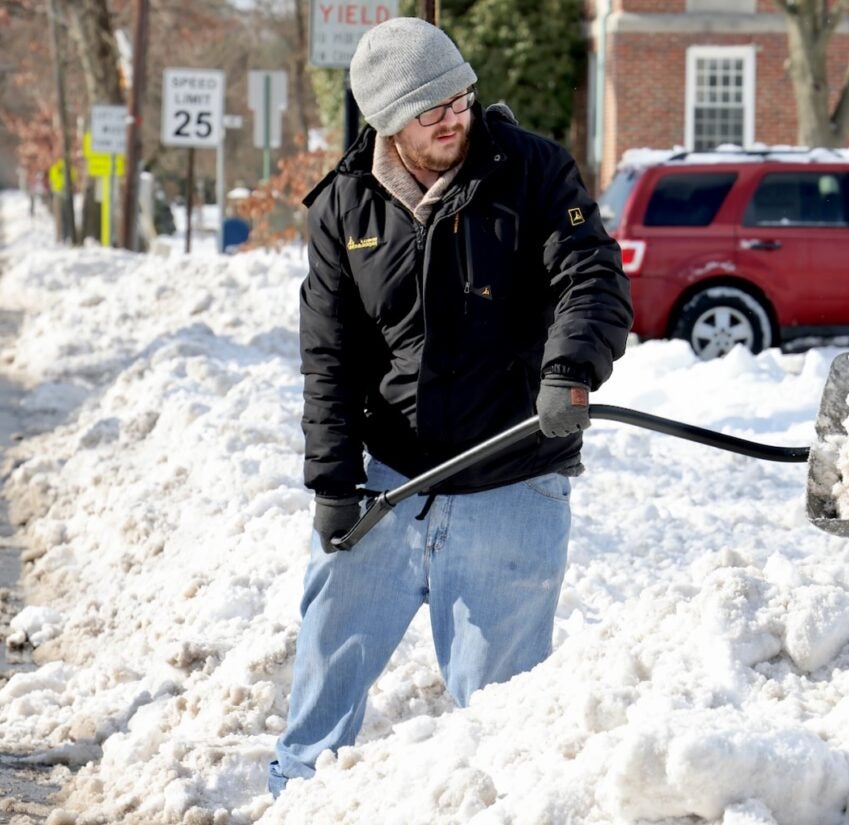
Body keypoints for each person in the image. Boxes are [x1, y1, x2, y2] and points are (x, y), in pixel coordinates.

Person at [268, 17, 633, 797]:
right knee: (320, 696)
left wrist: (568, 369)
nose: (455, 118)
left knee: (505, 727)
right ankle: (293, 805)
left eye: (461, 98)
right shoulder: (343, 208)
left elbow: (590, 277)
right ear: (387, 122)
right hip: (387, 488)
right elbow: (328, 355)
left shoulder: (532, 170)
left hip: (512, 480)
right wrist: (333, 483)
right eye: (431, 110)